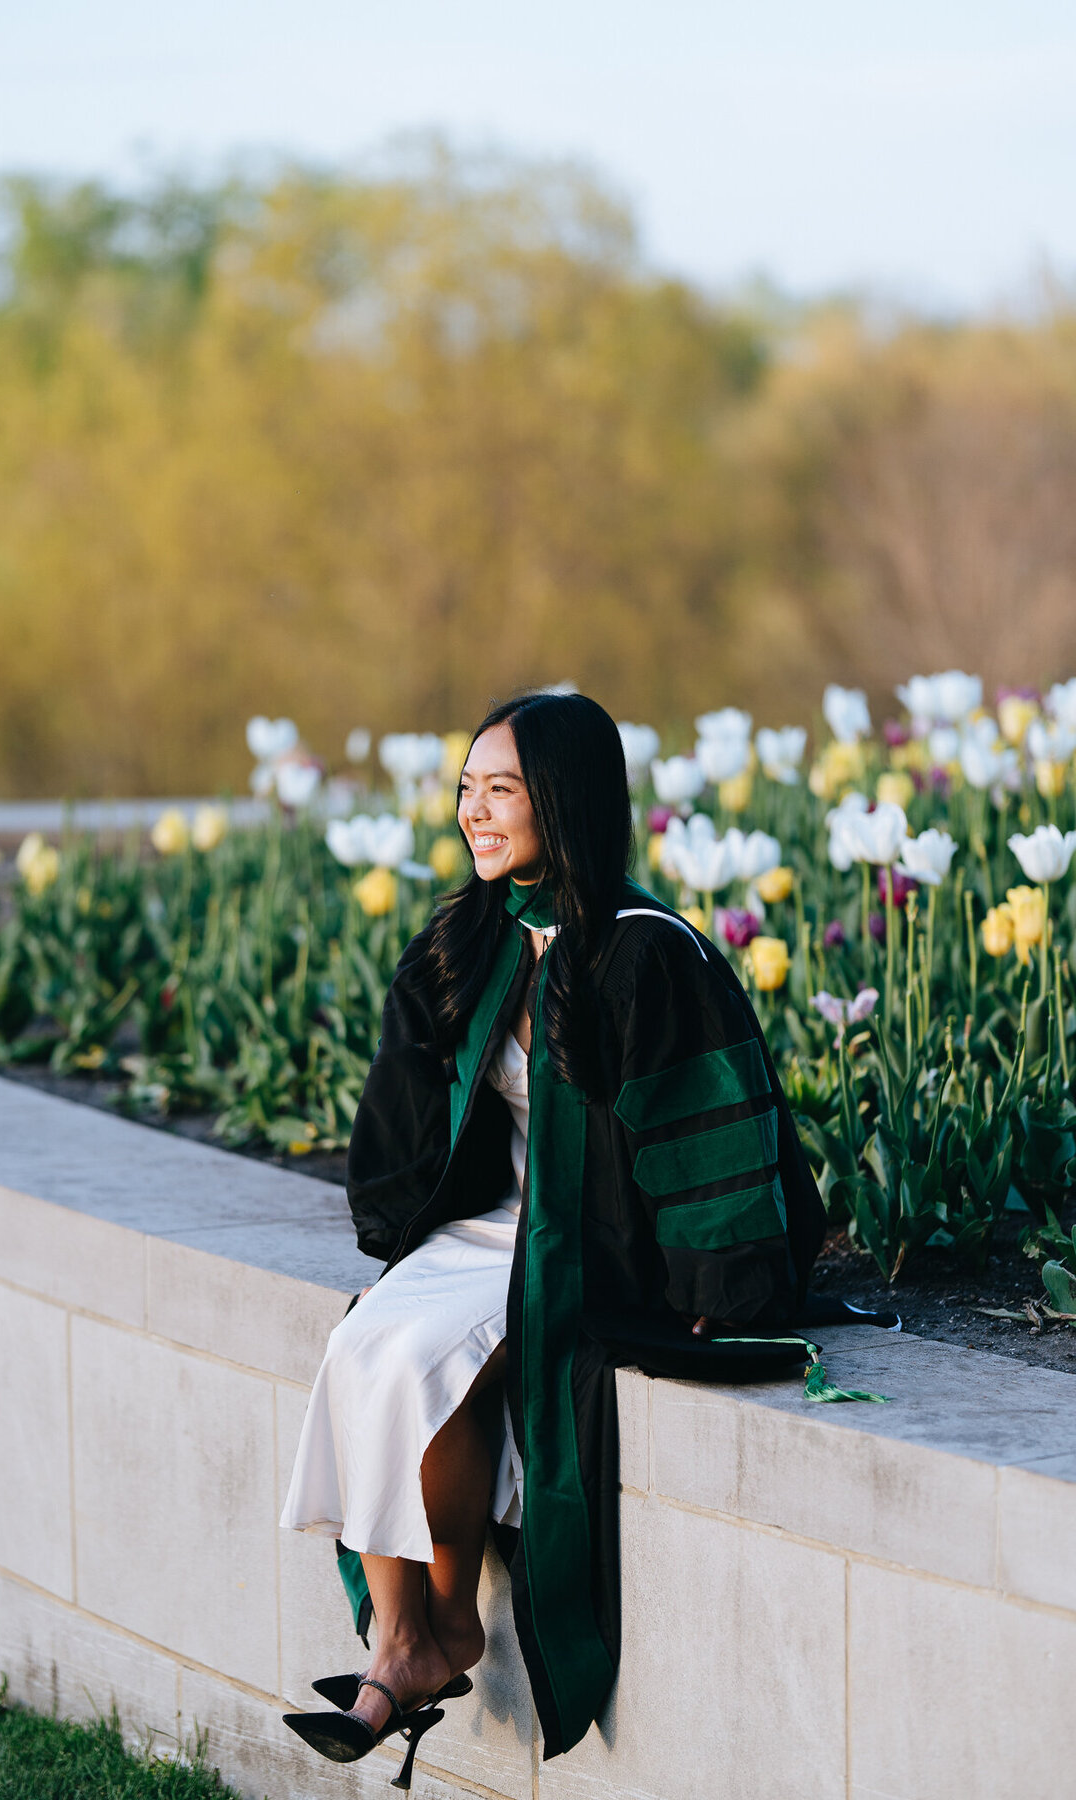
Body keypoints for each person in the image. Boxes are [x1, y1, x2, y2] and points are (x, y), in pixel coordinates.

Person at [281, 692, 826, 1783]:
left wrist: (718, 1276)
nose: (475, 814)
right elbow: (406, 1099)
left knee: (425, 1356)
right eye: (468, 791)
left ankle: (423, 1639)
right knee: (363, 1345)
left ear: (564, 802)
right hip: (489, 1229)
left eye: (503, 791)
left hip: (589, 1240)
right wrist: (398, 1217)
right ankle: (413, 1633)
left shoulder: (647, 953)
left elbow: (701, 1122)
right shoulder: (469, 935)